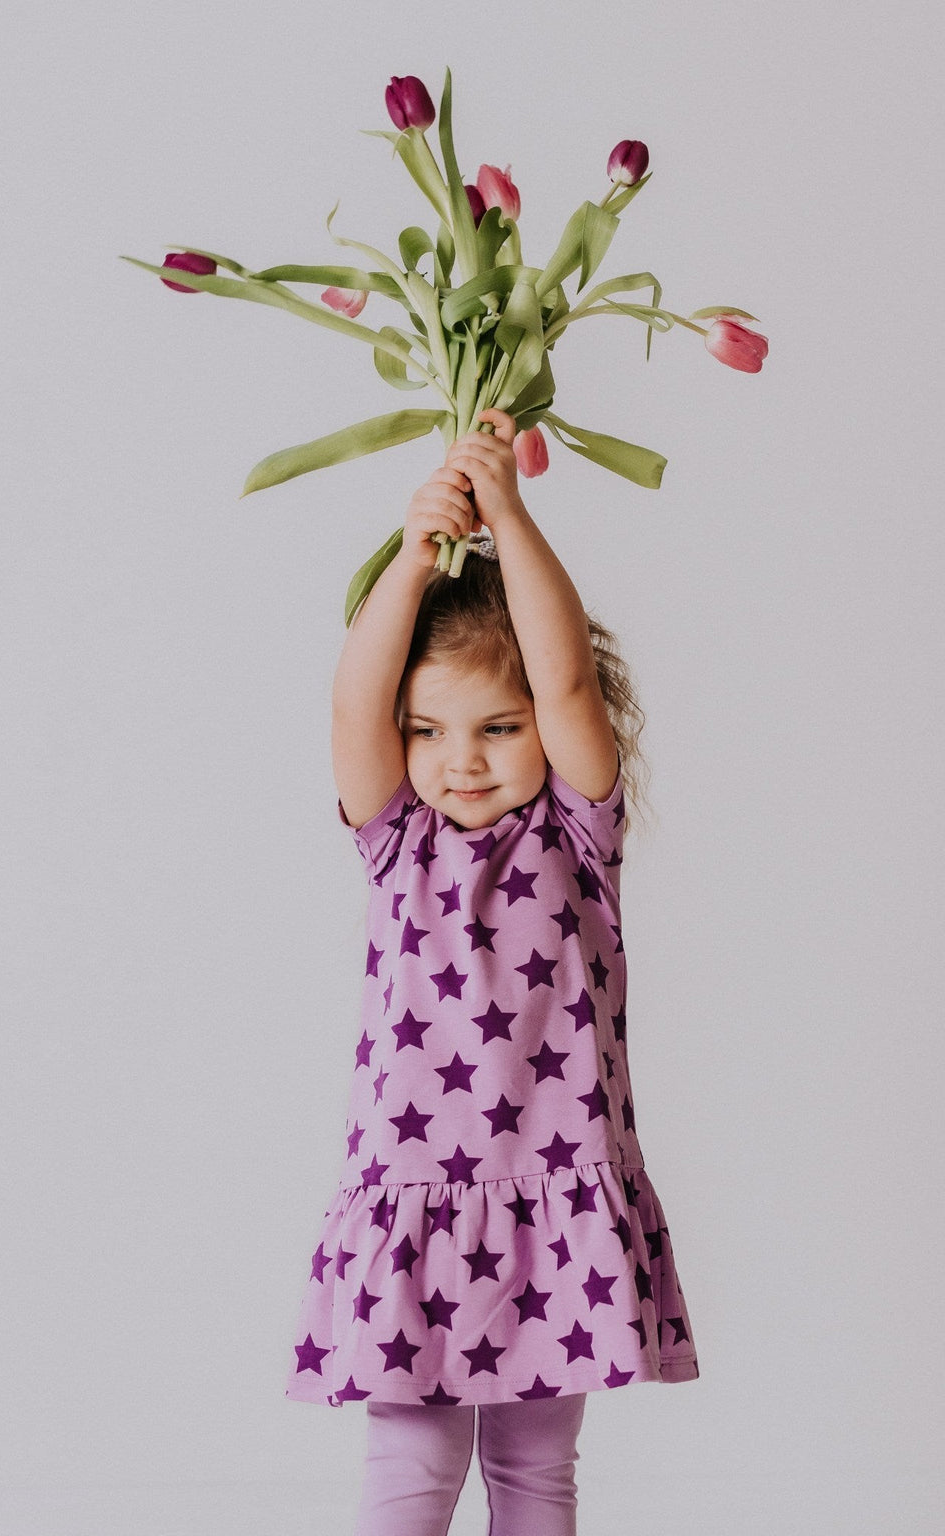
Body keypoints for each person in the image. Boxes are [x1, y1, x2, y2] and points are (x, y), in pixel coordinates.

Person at [285, 409, 699, 1535]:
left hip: (550, 1211)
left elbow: (566, 684)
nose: (460, 759)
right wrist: (416, 556)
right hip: (415, 1204)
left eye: (498, 729)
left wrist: (508, 516)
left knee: (534, 1471)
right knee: (410, 1467)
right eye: (428, 730)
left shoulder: (577, 836)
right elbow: (352, 701)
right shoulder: (395, 836)